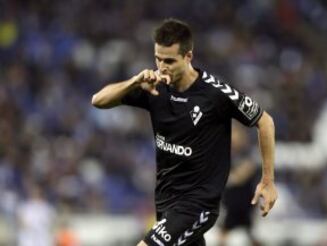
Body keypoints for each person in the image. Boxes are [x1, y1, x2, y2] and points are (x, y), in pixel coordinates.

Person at [92, 18, 277, 246]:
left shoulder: (215, 94)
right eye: (158, 59)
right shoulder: (154, 86)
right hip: (165, 204)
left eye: (169, 60)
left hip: (197, 205)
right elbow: (98, 101)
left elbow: (265, 121)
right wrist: (134, 81)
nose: (162, 67)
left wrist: (267, 180)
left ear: (188, 56)